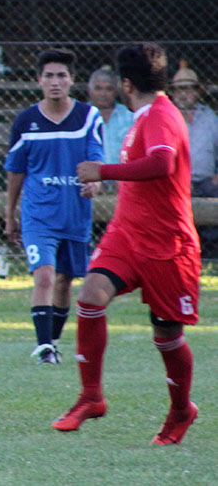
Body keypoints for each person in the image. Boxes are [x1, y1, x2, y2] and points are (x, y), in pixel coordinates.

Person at [57, 43, 201, 446]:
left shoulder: (160, 116)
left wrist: (103, 168)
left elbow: (162, 164)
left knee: (167, 335)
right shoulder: (143, 116)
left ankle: (180, 410)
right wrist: (107, 180)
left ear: (125, 83)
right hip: (127, 234)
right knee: (90, 296)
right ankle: (91, 396)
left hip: (168, 245)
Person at [3, 48, 104, 365]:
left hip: (74, 215)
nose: (55, 81)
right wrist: (10, 213)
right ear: (39, 80)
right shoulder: (26, 120)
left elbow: (96, 159)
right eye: (49, 75)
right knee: (44, 276)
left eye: (62, 75)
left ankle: (54, 341)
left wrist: (95, 182)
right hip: (38, 216)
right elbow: (16, 171)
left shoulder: (88, 117)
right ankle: (44, 347)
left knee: (64, 281)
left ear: (72, 80)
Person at [167, 61, 218, 252]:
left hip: (206, 181)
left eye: (189, 89)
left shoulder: (210, 117)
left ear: (197, 92)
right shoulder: (167, 116)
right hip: (174, 180)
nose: (184, 93)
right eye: (179, 89)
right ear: (172, 92)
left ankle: (209, 249)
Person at [88, 65, 134, 167]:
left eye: (109, 89)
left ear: (116, 92)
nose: (103, 94)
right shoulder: (81, 115)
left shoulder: (130, 115)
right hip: (90, 179)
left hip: (123, 177)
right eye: (98, 88)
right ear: (89, 90)